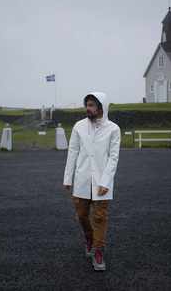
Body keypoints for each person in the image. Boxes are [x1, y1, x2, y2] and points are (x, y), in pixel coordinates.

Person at [63, 92, 121, 271]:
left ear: (101, 107)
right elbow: (72, 152)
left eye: (91, 105)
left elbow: (113, 157)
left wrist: (106, 182)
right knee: (81, 215)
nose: (87, 108)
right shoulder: (79, 126)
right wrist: (67, 178)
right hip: (82, 179)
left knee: (100, 217)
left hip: (102, 183)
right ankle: (90, 238)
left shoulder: (113, 129)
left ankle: (98, 250)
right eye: (86, 105)